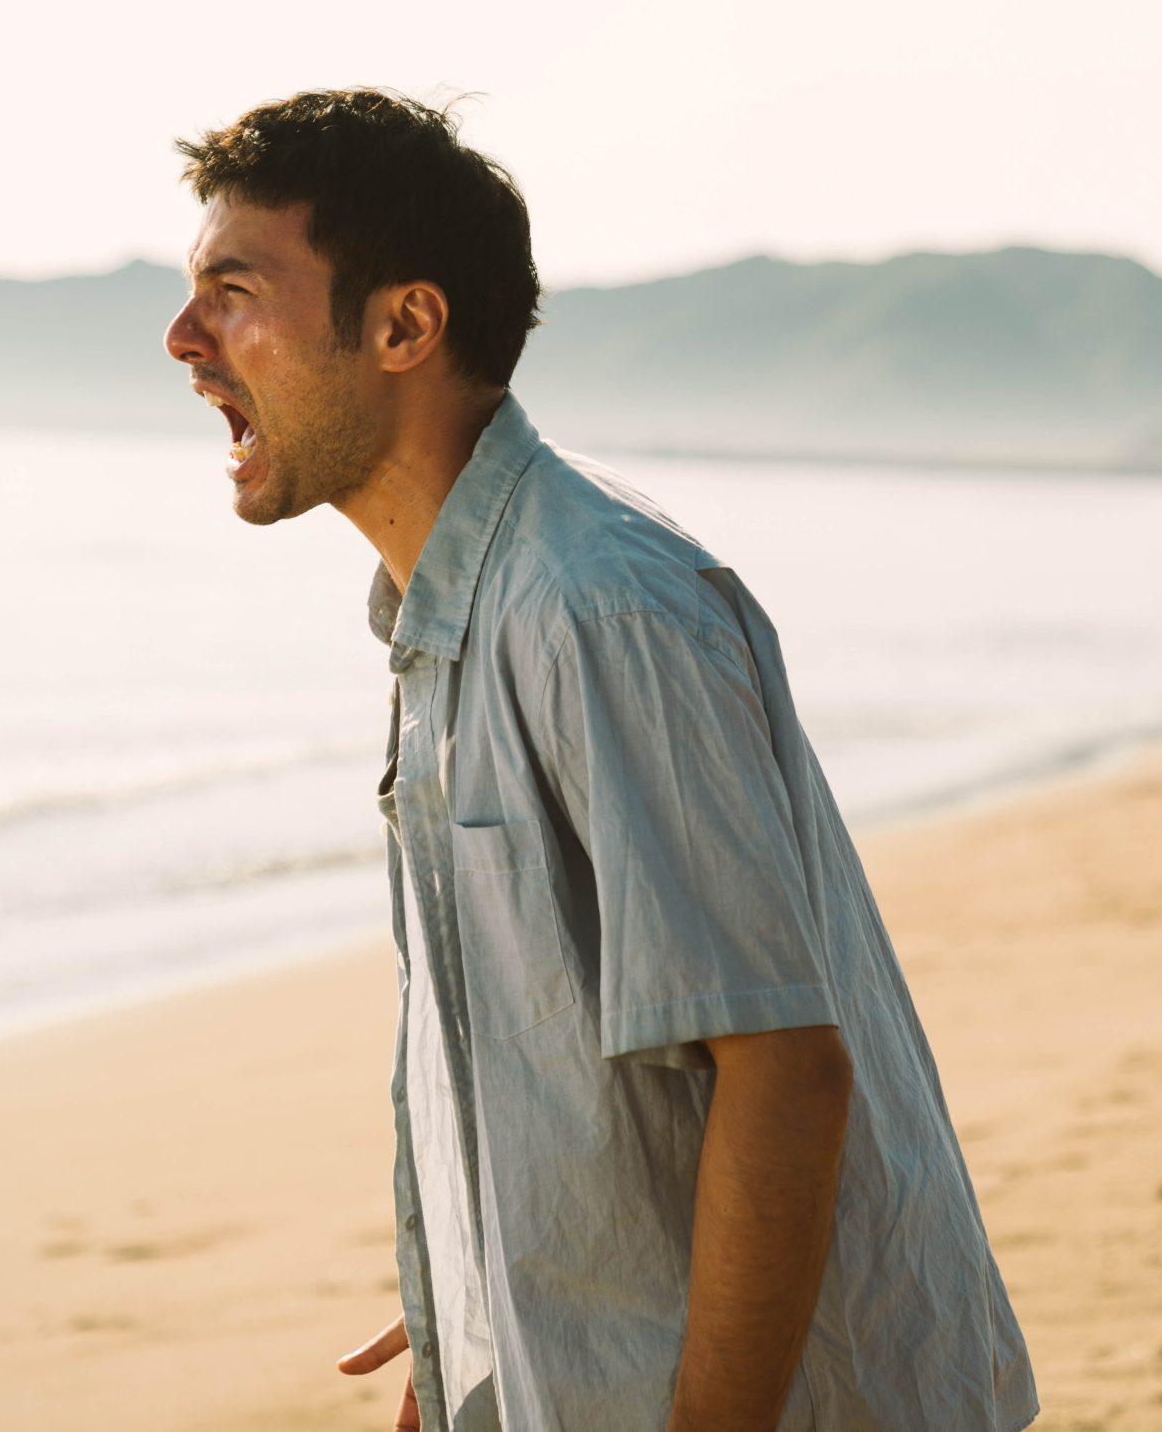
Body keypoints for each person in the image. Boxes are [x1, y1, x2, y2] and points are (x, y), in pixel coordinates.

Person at [161, 88, 1041, 1432]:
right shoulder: (448, 612)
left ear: (403, 324)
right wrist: (485, 1303)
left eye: (232, 290)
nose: (184, 341)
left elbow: (780, 1071)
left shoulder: (594, 606)